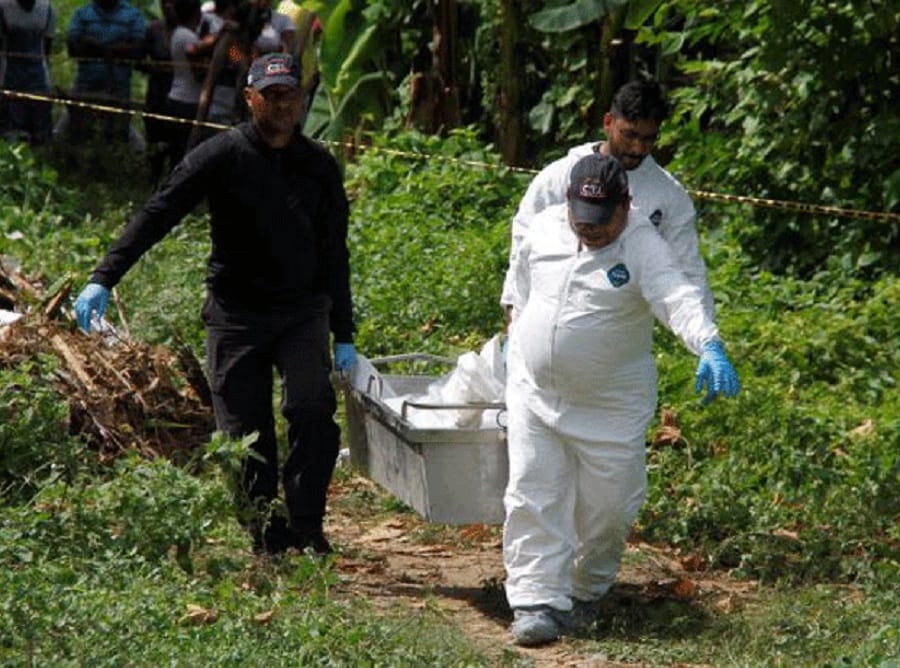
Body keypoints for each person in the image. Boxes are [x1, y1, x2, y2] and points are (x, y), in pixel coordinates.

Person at [74, 52, 357, 556]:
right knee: (244, 431)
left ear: (301, 97)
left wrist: (346, 332)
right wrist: (104, 277)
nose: (281, 103)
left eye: (289, 93)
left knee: (313, 413)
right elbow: (159, 212)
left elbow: (336, 252)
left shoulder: (318, 167)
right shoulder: (220, 156)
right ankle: (265, 536)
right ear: (250, 98)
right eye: (270, 95)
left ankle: (308, 526)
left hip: (302, 312)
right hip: (236, 315)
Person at [502, 153, 739, 646]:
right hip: (535, 392)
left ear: (626, 206)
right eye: (581, 218)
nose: (590, 232)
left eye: (602, 221)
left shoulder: (643, 245)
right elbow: (520, 284)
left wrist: (708, 344)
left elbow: (677, 296)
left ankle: (584, 593)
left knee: (610, 508)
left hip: (611, 407)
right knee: (532, 492)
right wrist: (516, 332)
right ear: (567, 202)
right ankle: (534, 601)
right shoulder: (544, 229)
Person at [501, 79, 715, 321]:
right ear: (608, 122)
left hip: (619, 325)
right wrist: (514, 310)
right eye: (629, 135)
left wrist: (706, 338)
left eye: (648, 139)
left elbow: (688, 269)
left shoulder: (668, 196)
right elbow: (523, 241)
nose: (637, 148)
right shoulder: (560, 176)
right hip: (550, 311)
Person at [64, 0, 146, 145]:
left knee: (117, 134)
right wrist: (116, 50)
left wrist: (97, 47)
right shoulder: (83, 13)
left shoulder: (133, 15)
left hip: (118, 86)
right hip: (86, 85)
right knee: (81, 131)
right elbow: (73, 47)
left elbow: (138, 50)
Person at [0, 0, 57, 144]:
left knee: (41, 128)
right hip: (9, 74)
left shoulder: (47, 9)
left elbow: (47, 49)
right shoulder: (3, 8)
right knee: (11, 129)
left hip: (38, 75)